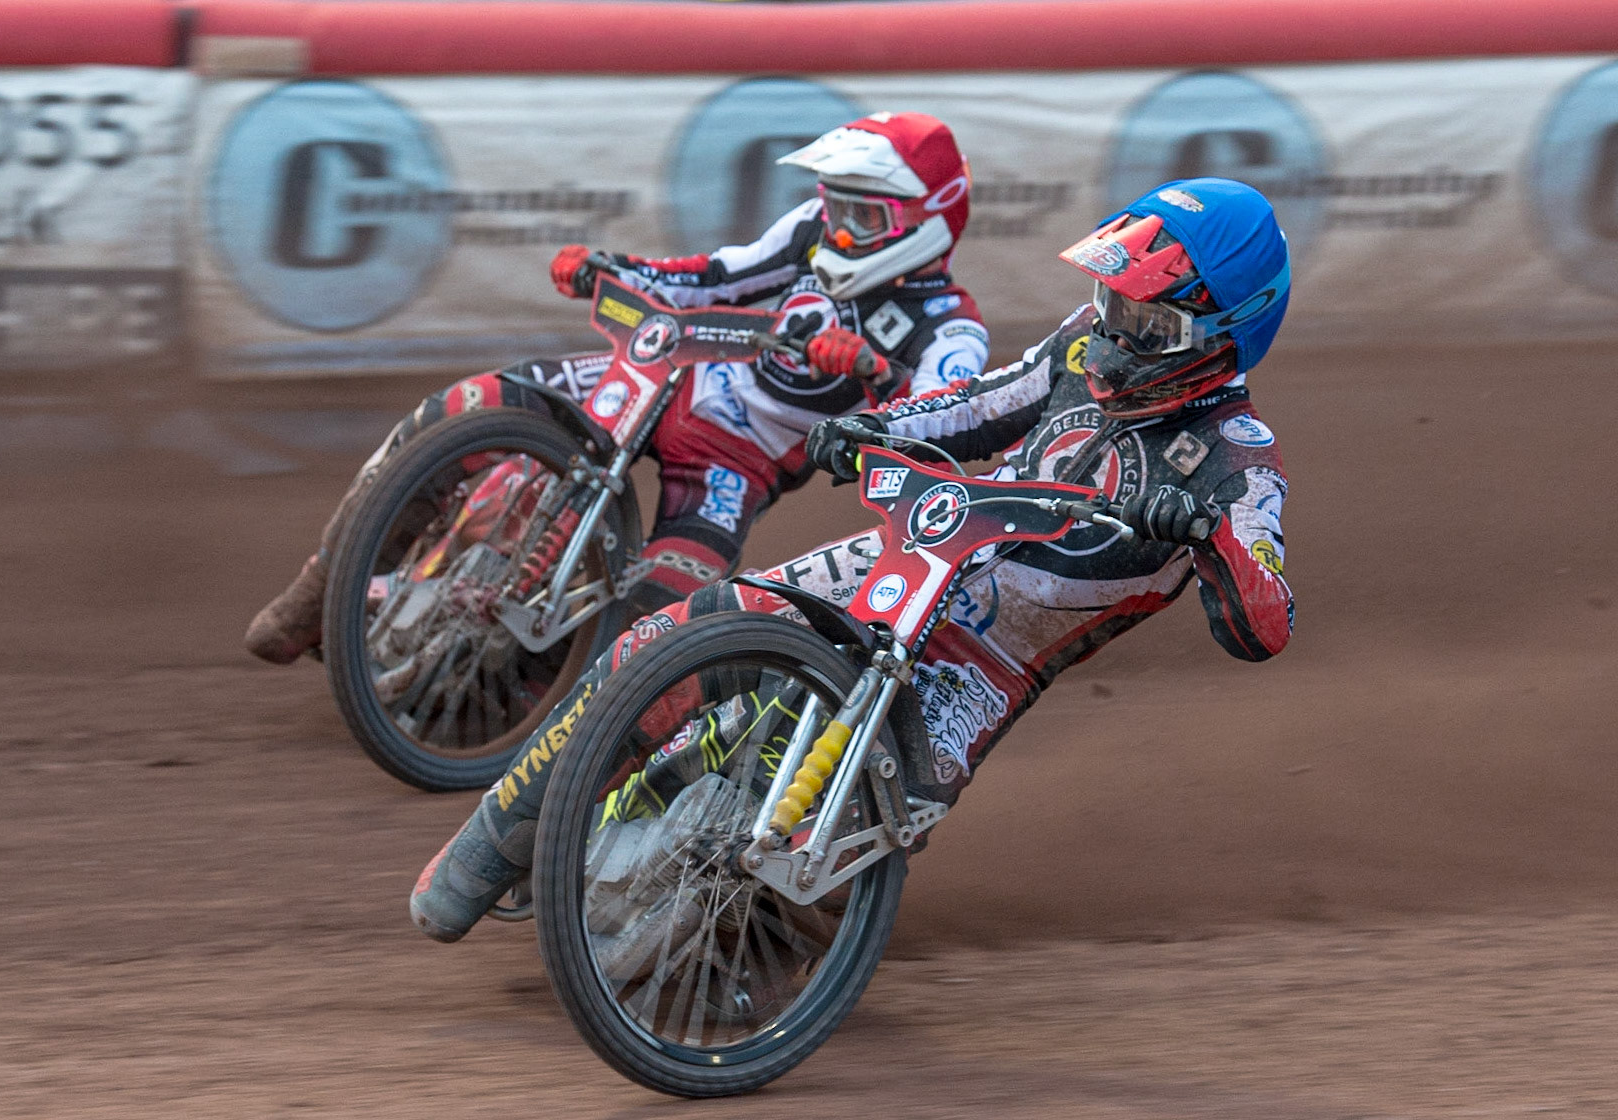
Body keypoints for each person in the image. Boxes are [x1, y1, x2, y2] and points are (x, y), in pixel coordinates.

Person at [409, 176, 1294, 943]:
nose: (1112, 334)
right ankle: (482, 856)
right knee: (662, 645)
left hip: (984, 665)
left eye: (1146, 321)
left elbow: (1269, 621)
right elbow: (983, 402)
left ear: (1222, 333)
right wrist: (874, 426)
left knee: (828, 862)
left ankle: (735, 985)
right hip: (912, 553)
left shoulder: (1236, 462)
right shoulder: (1078, 345)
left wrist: (1206, 531)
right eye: (1112, 303)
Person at [243, 111, 988, 663]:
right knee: (461, 411)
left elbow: (937, 440)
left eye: (863, 214)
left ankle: (510, 695)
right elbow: (717, 277)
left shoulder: (952, 332)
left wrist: (875, 375)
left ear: (926, 221)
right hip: (670, 376)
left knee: (653, 625)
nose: (839, 227)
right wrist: (613, 268)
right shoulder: (809, 231)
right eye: (836, 204)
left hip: (737, 466)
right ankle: (322, 586)